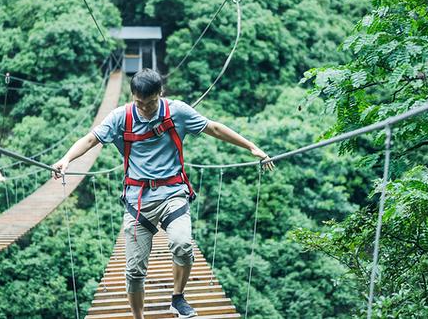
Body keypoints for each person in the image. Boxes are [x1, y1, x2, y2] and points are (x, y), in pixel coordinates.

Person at [52, 69, 274, 319]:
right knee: (135, 271)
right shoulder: (120, 117)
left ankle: (178, 299)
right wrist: (67, 159)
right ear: (132, 96)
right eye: (139, 103)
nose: (145, 109)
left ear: (161, 93)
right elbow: (92, 139)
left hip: (173, 194)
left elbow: (214, 128)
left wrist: (252, 147)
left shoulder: (177, 111)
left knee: (182, 245)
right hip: (138, 200)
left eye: (151, 103)